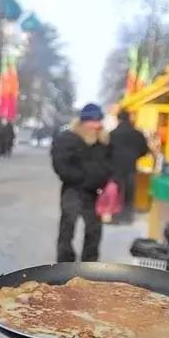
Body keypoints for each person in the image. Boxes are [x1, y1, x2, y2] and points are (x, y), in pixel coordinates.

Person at [52, 103, 112, 262]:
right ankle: (65, 262)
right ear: (84, 121)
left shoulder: (103, 141)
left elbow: (108, 163)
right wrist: (81, 178)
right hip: (73, 189)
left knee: (94, 229)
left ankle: (90, 263)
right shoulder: (68, 139)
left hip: (94, 192)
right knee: (68, 226)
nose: (97, 125)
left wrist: (104, 180)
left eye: (99, 120)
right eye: (93, 121)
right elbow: (61, 165)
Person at [108, 111, 150, 224]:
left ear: (118, 119)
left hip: (115, 168)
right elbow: (145, 150)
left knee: (116, 192)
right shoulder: (137, 134)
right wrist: (135, 156)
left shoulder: (112, 134)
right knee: (129, 193)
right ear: (129, 119)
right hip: (131, 167)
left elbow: (105, 151)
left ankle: (115, 217)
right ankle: (127, 218)